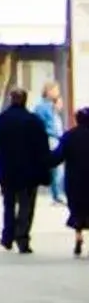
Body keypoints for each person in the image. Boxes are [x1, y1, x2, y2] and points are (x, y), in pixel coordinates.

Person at [0, 87, 53, 254]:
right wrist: (45, 167)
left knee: (9, 204)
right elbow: (42, 148)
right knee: (26, 206)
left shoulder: (1, 120)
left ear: (11, 99)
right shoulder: (34, 121)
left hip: (7, 170)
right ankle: (22, 238)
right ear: (25, 100)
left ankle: (7, 236)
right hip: (28, 172)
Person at [52, 108, 89, 256]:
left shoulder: (69, 136)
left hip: (75, 181)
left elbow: (57, 156)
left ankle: (78, 236)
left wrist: (42, 161)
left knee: (78, 210)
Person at [37, 82, 67, 205]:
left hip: (53, 139)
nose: (57, 92)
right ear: (49, 91)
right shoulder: (45, 107)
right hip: (51, 139)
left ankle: (57, 194)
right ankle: (57, 194)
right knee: (56, 168)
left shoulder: (48, 107)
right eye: (55, 90)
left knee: (56, 169)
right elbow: (48, 126)